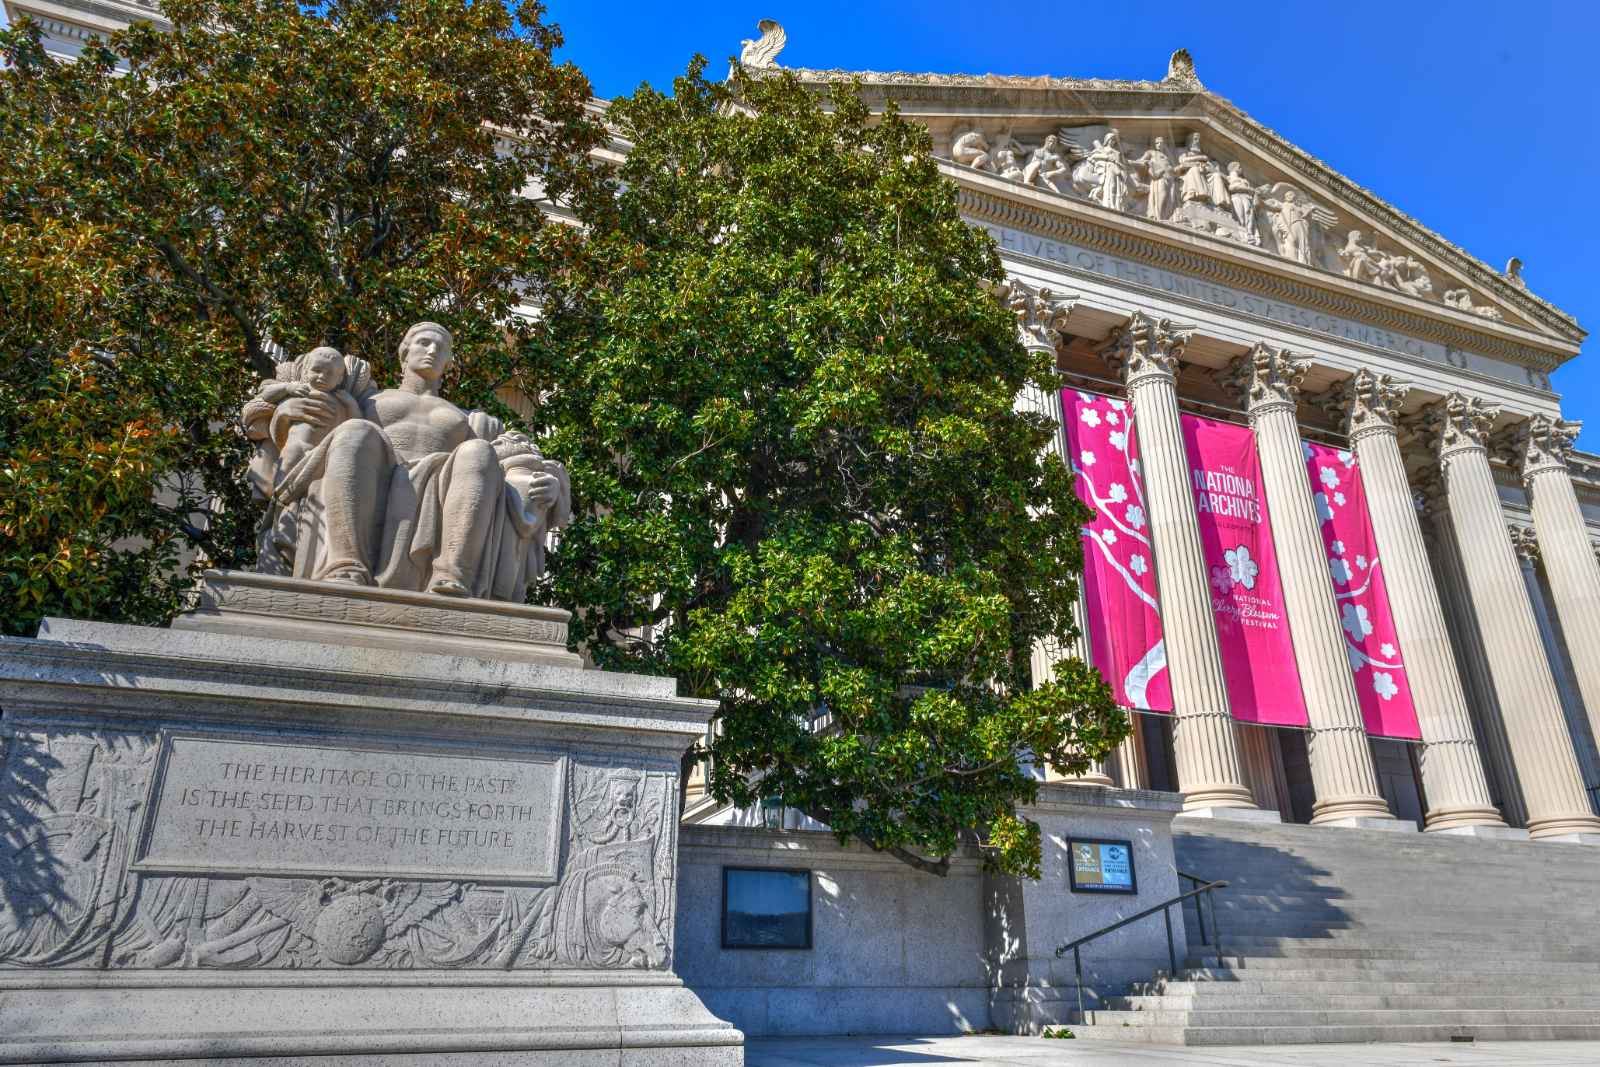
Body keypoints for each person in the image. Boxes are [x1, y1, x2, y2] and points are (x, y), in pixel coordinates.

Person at [265, 322, 569, 599]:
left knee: (479, 451)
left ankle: (452, 574)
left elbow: (516, 461)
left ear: (448, 363)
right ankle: (346, 565)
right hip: (376, 472)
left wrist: (549, 484)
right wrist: (287, 410)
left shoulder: (469, 419)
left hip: (441, 484)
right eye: (424, 342)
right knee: (355, 431)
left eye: (442, 349)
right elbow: (305, 417)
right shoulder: (366, 401)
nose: (433, 350)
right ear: (404, 352)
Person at [1132, 136, 1176, 221]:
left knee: (1169, 198)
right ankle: (1159, 217)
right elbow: (1141, 161)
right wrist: (1134, 162)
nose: (1159, 144)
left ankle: (1164, 216)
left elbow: (1174, 166)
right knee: (1162, 196)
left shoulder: (1166, 157)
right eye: (1157, 143)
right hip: (1159, 178)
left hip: (1169, 179)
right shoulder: (1151, 152)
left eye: (1161, 143)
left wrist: (1167, 150)